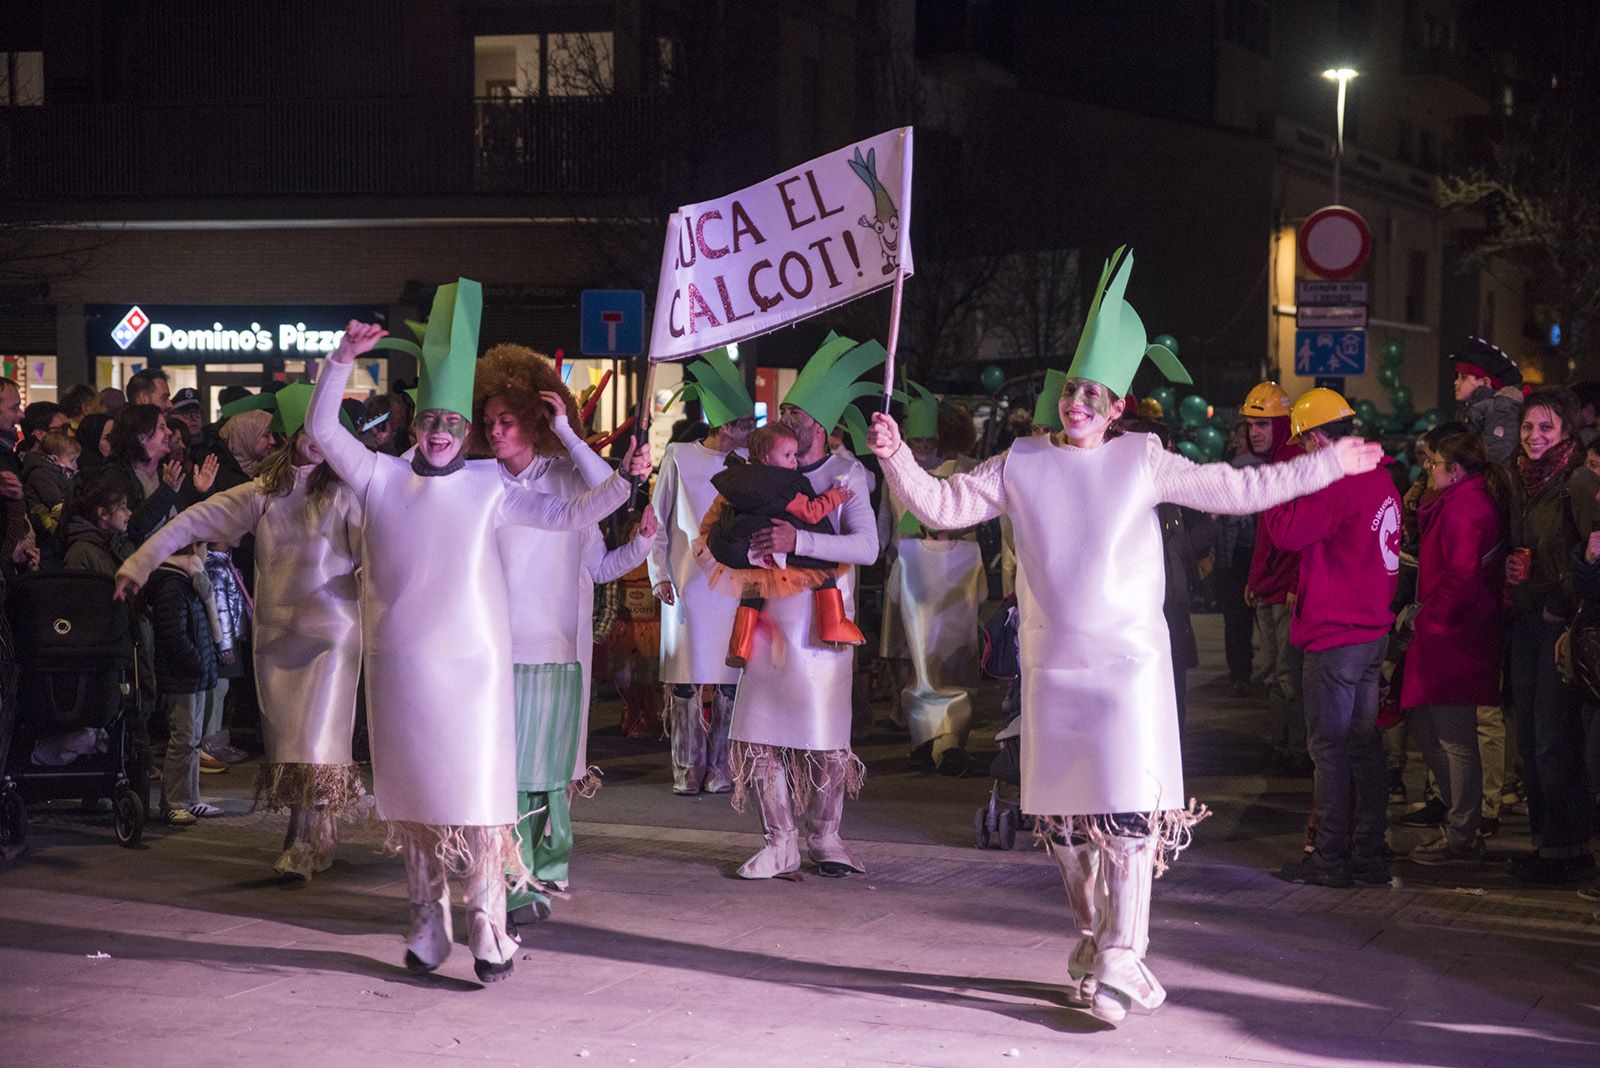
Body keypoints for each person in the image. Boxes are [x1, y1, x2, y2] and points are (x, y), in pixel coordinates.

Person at [870, 248, 1385, 1024]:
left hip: (1129, 671)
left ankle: (1121, 958)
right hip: (1054, 670)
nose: (1079, 402)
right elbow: (941, 507)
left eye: (1095, 394)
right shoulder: (1021, 463)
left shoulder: (1143, 461)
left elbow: (1240, 489)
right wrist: (896, 458)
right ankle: (1095, 941)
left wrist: (1332, 466)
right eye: (1073, 389)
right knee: (1071, 831)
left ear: (1116, 408)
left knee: (1129, 822)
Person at [307, 281, 647, 983]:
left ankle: (489, 929)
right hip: (402, 672)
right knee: (421, 806)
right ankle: (427, 926)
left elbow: (599, 501)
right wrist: (340, 361)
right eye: (431, 419)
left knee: (485, 804)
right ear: (414, 426)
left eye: (455, 423)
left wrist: (579, 443)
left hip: (480, 673)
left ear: (466, 432)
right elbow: (322, 434)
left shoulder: (495, 485)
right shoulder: (378, 477)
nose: (441, 432)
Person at [117, 385, 365, 878]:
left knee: (316, 741)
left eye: (326, 433)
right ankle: (313, 832)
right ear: (290, 435)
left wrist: (368, 577)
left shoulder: (345, 494)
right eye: (308, 432)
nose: (317, 442)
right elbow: (194, 520)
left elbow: (374, 555)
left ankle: (307, 839)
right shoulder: (264, 495)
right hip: (276, 638)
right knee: (287, 743)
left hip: (332, 634)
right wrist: (140, 564)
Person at [469, 343, 654, 928]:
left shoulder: (571, 472)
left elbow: (606, 521)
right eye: (489, 422)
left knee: (551, 765)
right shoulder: (479, 481)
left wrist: (571, 435)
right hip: (498, 641)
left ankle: (546, 862)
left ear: (534, 421)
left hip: (559, 641)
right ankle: (510, 869)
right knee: (509, 764)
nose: (496, 432)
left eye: (508, 420)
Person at [729, 333, 883, 882]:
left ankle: (825, 834)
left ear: (822, 426)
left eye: (798, 413)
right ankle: (779, 841)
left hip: (821, 626)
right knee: (758, 733)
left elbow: (867, 547)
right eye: (786, 409)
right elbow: (725, 533)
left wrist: (800, 540)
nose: (789, 418)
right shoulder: (762, 470)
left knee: (825, 737)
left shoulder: (847, 476)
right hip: (769, 618)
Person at [1265, 390, 1401, 889]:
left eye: (1303, 445)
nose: (1302, 454)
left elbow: (1286, 533)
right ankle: (1367, 853)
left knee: (1330, 749)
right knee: (1363, 747)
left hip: (1335, 635)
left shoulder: (1337, 481)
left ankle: (1330, 856)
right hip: (1370, 632)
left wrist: (1275, 491)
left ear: (1319, 438)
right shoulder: (1381, 476)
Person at [650, 349, 757, 795]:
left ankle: (722, 765)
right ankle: (686, 765)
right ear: (725, 425)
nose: (750, 432)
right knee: (686, 677)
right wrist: (658, 571)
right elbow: (658, 518)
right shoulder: (678, 455)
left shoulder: (750, 463)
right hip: (687, 579)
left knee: (731, 676)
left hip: (733, 581)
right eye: (745, 424)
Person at [1400, 431, 1509, 865]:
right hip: (1448, 630)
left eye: (1434, 464)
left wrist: (1427, 617)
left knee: (1454, 738)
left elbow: (1460, 578)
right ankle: (1461, 824)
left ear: (1456, 469)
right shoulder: (1456, 504)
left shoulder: (1466, 509)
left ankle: (1462, 832)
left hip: (1454, 634)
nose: (1429, 470)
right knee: (1437, 733)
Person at [1505, 389, 1593, 886]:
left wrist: (1559, 600)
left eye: (1546, 428)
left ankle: (1570, 850)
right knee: (1530, 741)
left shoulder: (1575, 483)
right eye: (1528, 428)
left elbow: (1591, 555)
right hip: (1525, 621)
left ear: (1565, 434)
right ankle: (1546, 845)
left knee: (1553, 742)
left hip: (1558, 626)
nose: (1534, 437)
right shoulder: (1524, 482)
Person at [878, 382, 984, 774]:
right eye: (915, 439)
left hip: (956, 571)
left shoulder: (965, 471)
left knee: (953, 658)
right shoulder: (898, 473)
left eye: (928, 440)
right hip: (909, 570)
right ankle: (925, 738)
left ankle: (950, 739)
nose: (921, 448)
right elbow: (887, 525)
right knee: (915, 659)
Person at [703, 422, 862, 668]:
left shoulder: (741, 478)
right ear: (767, 458)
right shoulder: (784, 484)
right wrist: (836, 496)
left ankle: (739, 646)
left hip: (749, 550)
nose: (794, 463)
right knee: (825, 571)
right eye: (788, 455)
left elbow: (721, 512)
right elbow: (811, 511)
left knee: (752, 595)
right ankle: (833, 624)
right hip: (778, 551)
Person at [1243, 383, 1306, 773]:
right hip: (1269, 589)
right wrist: (1254, 578)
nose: (1255, 432)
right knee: (1273, 673)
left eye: (1263, 424)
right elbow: (1266, 534)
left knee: (1288, 673)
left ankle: (1296, 748)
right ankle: (1283, 743)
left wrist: (1297, 586)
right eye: (1251, 425)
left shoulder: (1293, 465)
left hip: (1285, 592)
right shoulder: (1273, 466)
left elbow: (1303, 538)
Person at [145, 540, 224, 826]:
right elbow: (172, 633)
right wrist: (198, 663)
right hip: (182, 676)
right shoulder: (172, 584)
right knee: (183, 740)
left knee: (192, 741)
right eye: (203, 546)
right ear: (192, 550)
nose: (207, 551)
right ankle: (174, 803)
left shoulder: (189, 581)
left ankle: (191, 800)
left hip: (193, 675)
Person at [105, 404, 218, 544]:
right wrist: (166, 491)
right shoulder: (117, 476)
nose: (169, 432)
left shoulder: (168, 471)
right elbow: (131, 529)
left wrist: (203, 492)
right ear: (142, 436)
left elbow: (193, 522)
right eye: (161, 428)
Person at [1450, 338, 1523, 464]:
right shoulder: (1471, 410)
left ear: (1485, 382)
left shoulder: (1502, 411)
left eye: (1463, 377)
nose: (1456, 382)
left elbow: (1494, 461)